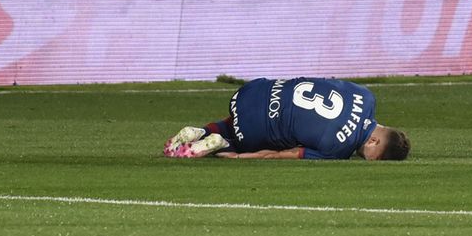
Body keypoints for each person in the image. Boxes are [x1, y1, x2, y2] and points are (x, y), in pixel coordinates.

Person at [163, 77, 410, 160]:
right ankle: (223, 143)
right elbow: (286, 154)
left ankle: (199, 131)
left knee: (239, 120)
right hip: (256, 130)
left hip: (254, 91)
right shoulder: (340, 149)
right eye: (373, 159)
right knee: (254, 136)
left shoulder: (366, 96)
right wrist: (241, 157)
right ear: (375, 143)